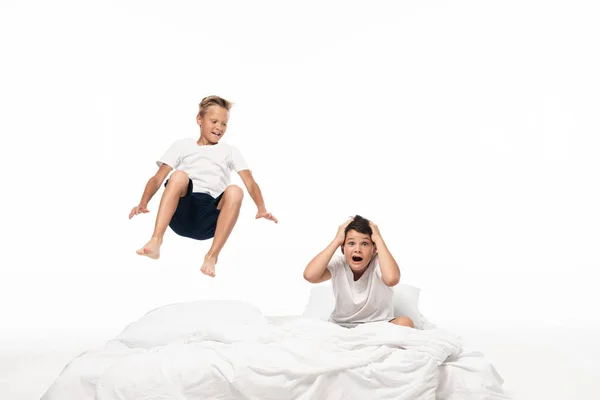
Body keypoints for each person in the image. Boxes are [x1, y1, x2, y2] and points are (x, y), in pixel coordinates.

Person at [129, 95, 278, 277]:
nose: (219, 128)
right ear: (199, 119)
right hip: (181, 210)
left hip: (211, 217)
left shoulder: (230, 151)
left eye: (224, 124)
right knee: (179, 176)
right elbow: (157, 178)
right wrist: (143, 203)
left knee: (235, 190)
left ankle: (212, 256)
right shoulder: (182, 146)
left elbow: (250, 182)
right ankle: (156, 240)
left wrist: (261, 208)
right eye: (214, 121)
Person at [303, 215, 414, 328]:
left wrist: (378, 239)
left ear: (374, 248)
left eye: (365, 244)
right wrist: (336, 241)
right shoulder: (338, 264)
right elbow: (310, 276)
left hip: (379, 325)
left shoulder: (379, 263)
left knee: (405, 322)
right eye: (351, 243)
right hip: (342, 326)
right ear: (342, 248)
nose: (357, 249)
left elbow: (392, 279)